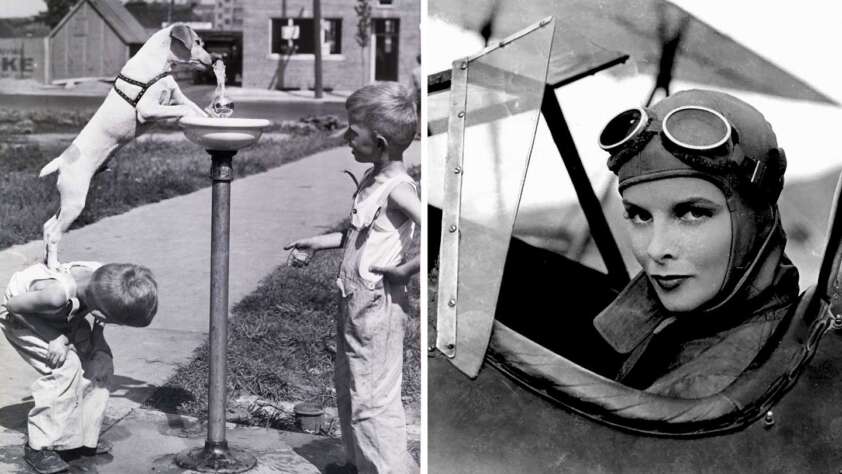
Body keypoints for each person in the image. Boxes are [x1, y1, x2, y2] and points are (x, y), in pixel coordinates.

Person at [593, 89, 799, 399]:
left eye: (692, 213)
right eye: (639, 216)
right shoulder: (783, 324)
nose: (655, 249)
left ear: (754, 219)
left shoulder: (697, 391)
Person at [285, 82, 420, 473]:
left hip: (377, 306)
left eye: (352, 132)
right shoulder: (371, 180)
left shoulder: (397, 189)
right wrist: (316, 242)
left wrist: (407, 269)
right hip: (353, 302)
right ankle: (360, 464)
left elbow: (441, 229)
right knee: (350, 389)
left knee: (373, 401)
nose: (346, 138)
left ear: (378, 142)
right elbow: (355, 235)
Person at [0, 261, 158, 474]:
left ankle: (83, 437)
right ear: (101, 314)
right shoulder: (55, 293)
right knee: (67, 366)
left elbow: (89, 316)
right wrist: (55, 337)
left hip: (64, 315)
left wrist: (97, 339)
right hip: (23, 317)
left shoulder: (107, 283)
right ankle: (41, 446)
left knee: (101, 361)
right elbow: (13, 307)